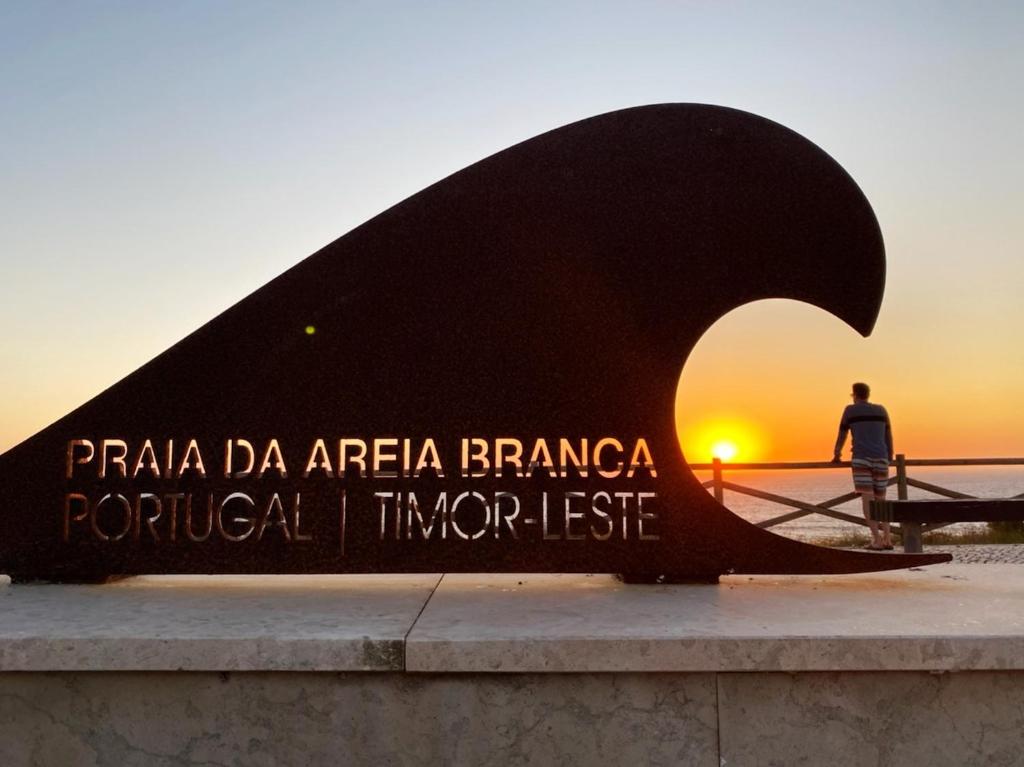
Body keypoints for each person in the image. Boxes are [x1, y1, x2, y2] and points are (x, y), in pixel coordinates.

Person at [832, 382, 894, 550]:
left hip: (861, 458)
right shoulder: (881, 410)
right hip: (881, 457)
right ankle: (887, 537)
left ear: (854, 395)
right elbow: (888, 434)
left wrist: (837, 454)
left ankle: (876, 540)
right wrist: (890, 456)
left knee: (867, 500)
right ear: (868, 394)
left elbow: (842, 433)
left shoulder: (850, 410)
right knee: (881, 499)